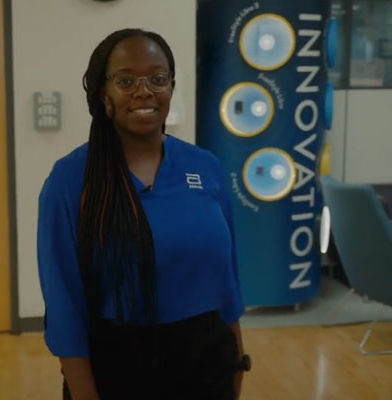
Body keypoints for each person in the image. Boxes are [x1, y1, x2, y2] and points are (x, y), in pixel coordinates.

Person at [37, 28, 249, 400]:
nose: (144, 91)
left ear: (171, 86)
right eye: (125, 81)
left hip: (207, 365)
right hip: (117, 368)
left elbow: (226, 282)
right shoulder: (70, 179)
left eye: (157, 78)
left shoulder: (205, 166)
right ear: (103, 92)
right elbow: (63, 303)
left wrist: (238, 365)